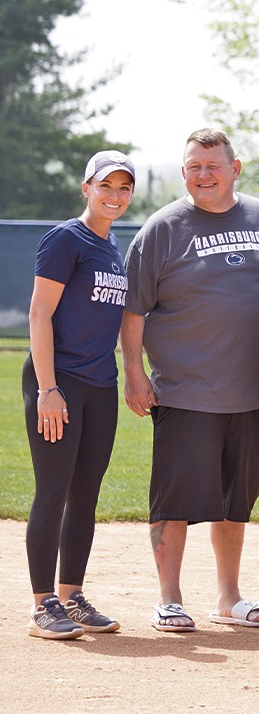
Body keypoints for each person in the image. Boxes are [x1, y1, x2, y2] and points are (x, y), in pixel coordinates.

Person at [120, 129, 259, 633]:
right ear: (184, 172)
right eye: (194, 166)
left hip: (254, 391)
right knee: (174, 499)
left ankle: (228, 596)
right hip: (186, 390)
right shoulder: (163, 227)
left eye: (213, 165)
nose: (204, 174)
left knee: (237, 499)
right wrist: (133, 373)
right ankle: (169, 597)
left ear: (235, 168)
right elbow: (133, 310)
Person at [23, 151, 134, 639]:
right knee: (53, 489)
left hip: (99, 384)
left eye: (123, 188)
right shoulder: (66, 239)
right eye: (105, 185)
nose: (114, 195)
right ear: (86, 187)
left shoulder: (113, 248)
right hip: (59, 381)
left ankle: (72, 595)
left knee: (85, 495)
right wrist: (48, 389)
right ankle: (43, 603)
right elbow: (39, 314)